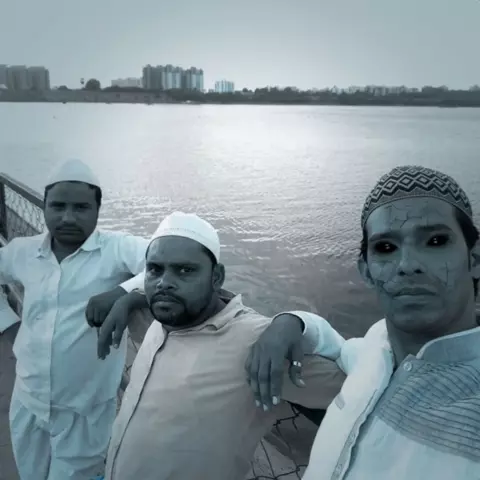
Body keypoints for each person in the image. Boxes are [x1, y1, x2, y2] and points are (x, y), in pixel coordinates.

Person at [246, 165, 480, 480]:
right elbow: (338, 347)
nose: (407, 265)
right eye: (386, 248)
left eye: (436, 241)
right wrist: (290, 323)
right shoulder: (376, 348)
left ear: (474, 258)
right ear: (366, 271)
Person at [99, 211, 346, 480]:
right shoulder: (161, 319)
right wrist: (129, 299)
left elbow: (359, 384)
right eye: (155, 270)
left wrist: (297, 321)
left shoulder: (256, 342)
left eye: (185, 270)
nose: (164, 283)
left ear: (217, 277)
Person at [0, 159, 149, 480]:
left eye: (81, 208)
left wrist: (123, 294)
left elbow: (168, 260)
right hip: (28, 399)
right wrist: (7, 323)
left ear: (97, 210)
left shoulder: (116, 250)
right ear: (44, 207)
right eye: (58, 206)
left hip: (86, 412)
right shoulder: (23, 251)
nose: (68, 217)